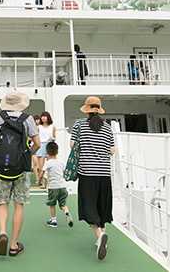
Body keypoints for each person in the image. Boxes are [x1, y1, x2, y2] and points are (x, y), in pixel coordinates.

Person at [0, 92, 40, 257]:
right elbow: (37, 143)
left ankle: (3, 232)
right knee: (19, 205)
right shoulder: (27, 119)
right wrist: (28, 154)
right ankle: (14, 245)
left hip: (2, 168)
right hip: (20, 169)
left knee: (2, 202)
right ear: (20, 104)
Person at [72, 96, 115, 261]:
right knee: (101, 207)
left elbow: (72, 145)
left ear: (87, 110)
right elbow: (112, 150)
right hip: (104, 173)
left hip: (87, 172)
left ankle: (100, 236)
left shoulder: (80, 125)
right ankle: (102, 235)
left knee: (89, 207)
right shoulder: (107, 127)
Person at [42, 141, 73, 228]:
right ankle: (66, 212)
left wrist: (40, 179)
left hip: (53, 187)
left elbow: (42, 171)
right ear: (57, 152)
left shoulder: (48, 163)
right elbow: (65, 172)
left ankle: (54, 220)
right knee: (62, 204)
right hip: (63, 187)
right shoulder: (60, 162)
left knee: (52, 204)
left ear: (47, 152)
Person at [33, 112, 55, 186]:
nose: (43, 118)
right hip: (41, 145)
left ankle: (49, 181)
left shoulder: (52, 126)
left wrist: (52, 138)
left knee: (50, 164)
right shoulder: (38, 127)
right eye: (42, 116)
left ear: (48, 117)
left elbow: (54, 136)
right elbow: (35, 136)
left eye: (45, 116)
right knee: (41, 166)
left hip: (49, 144)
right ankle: (41, 182)